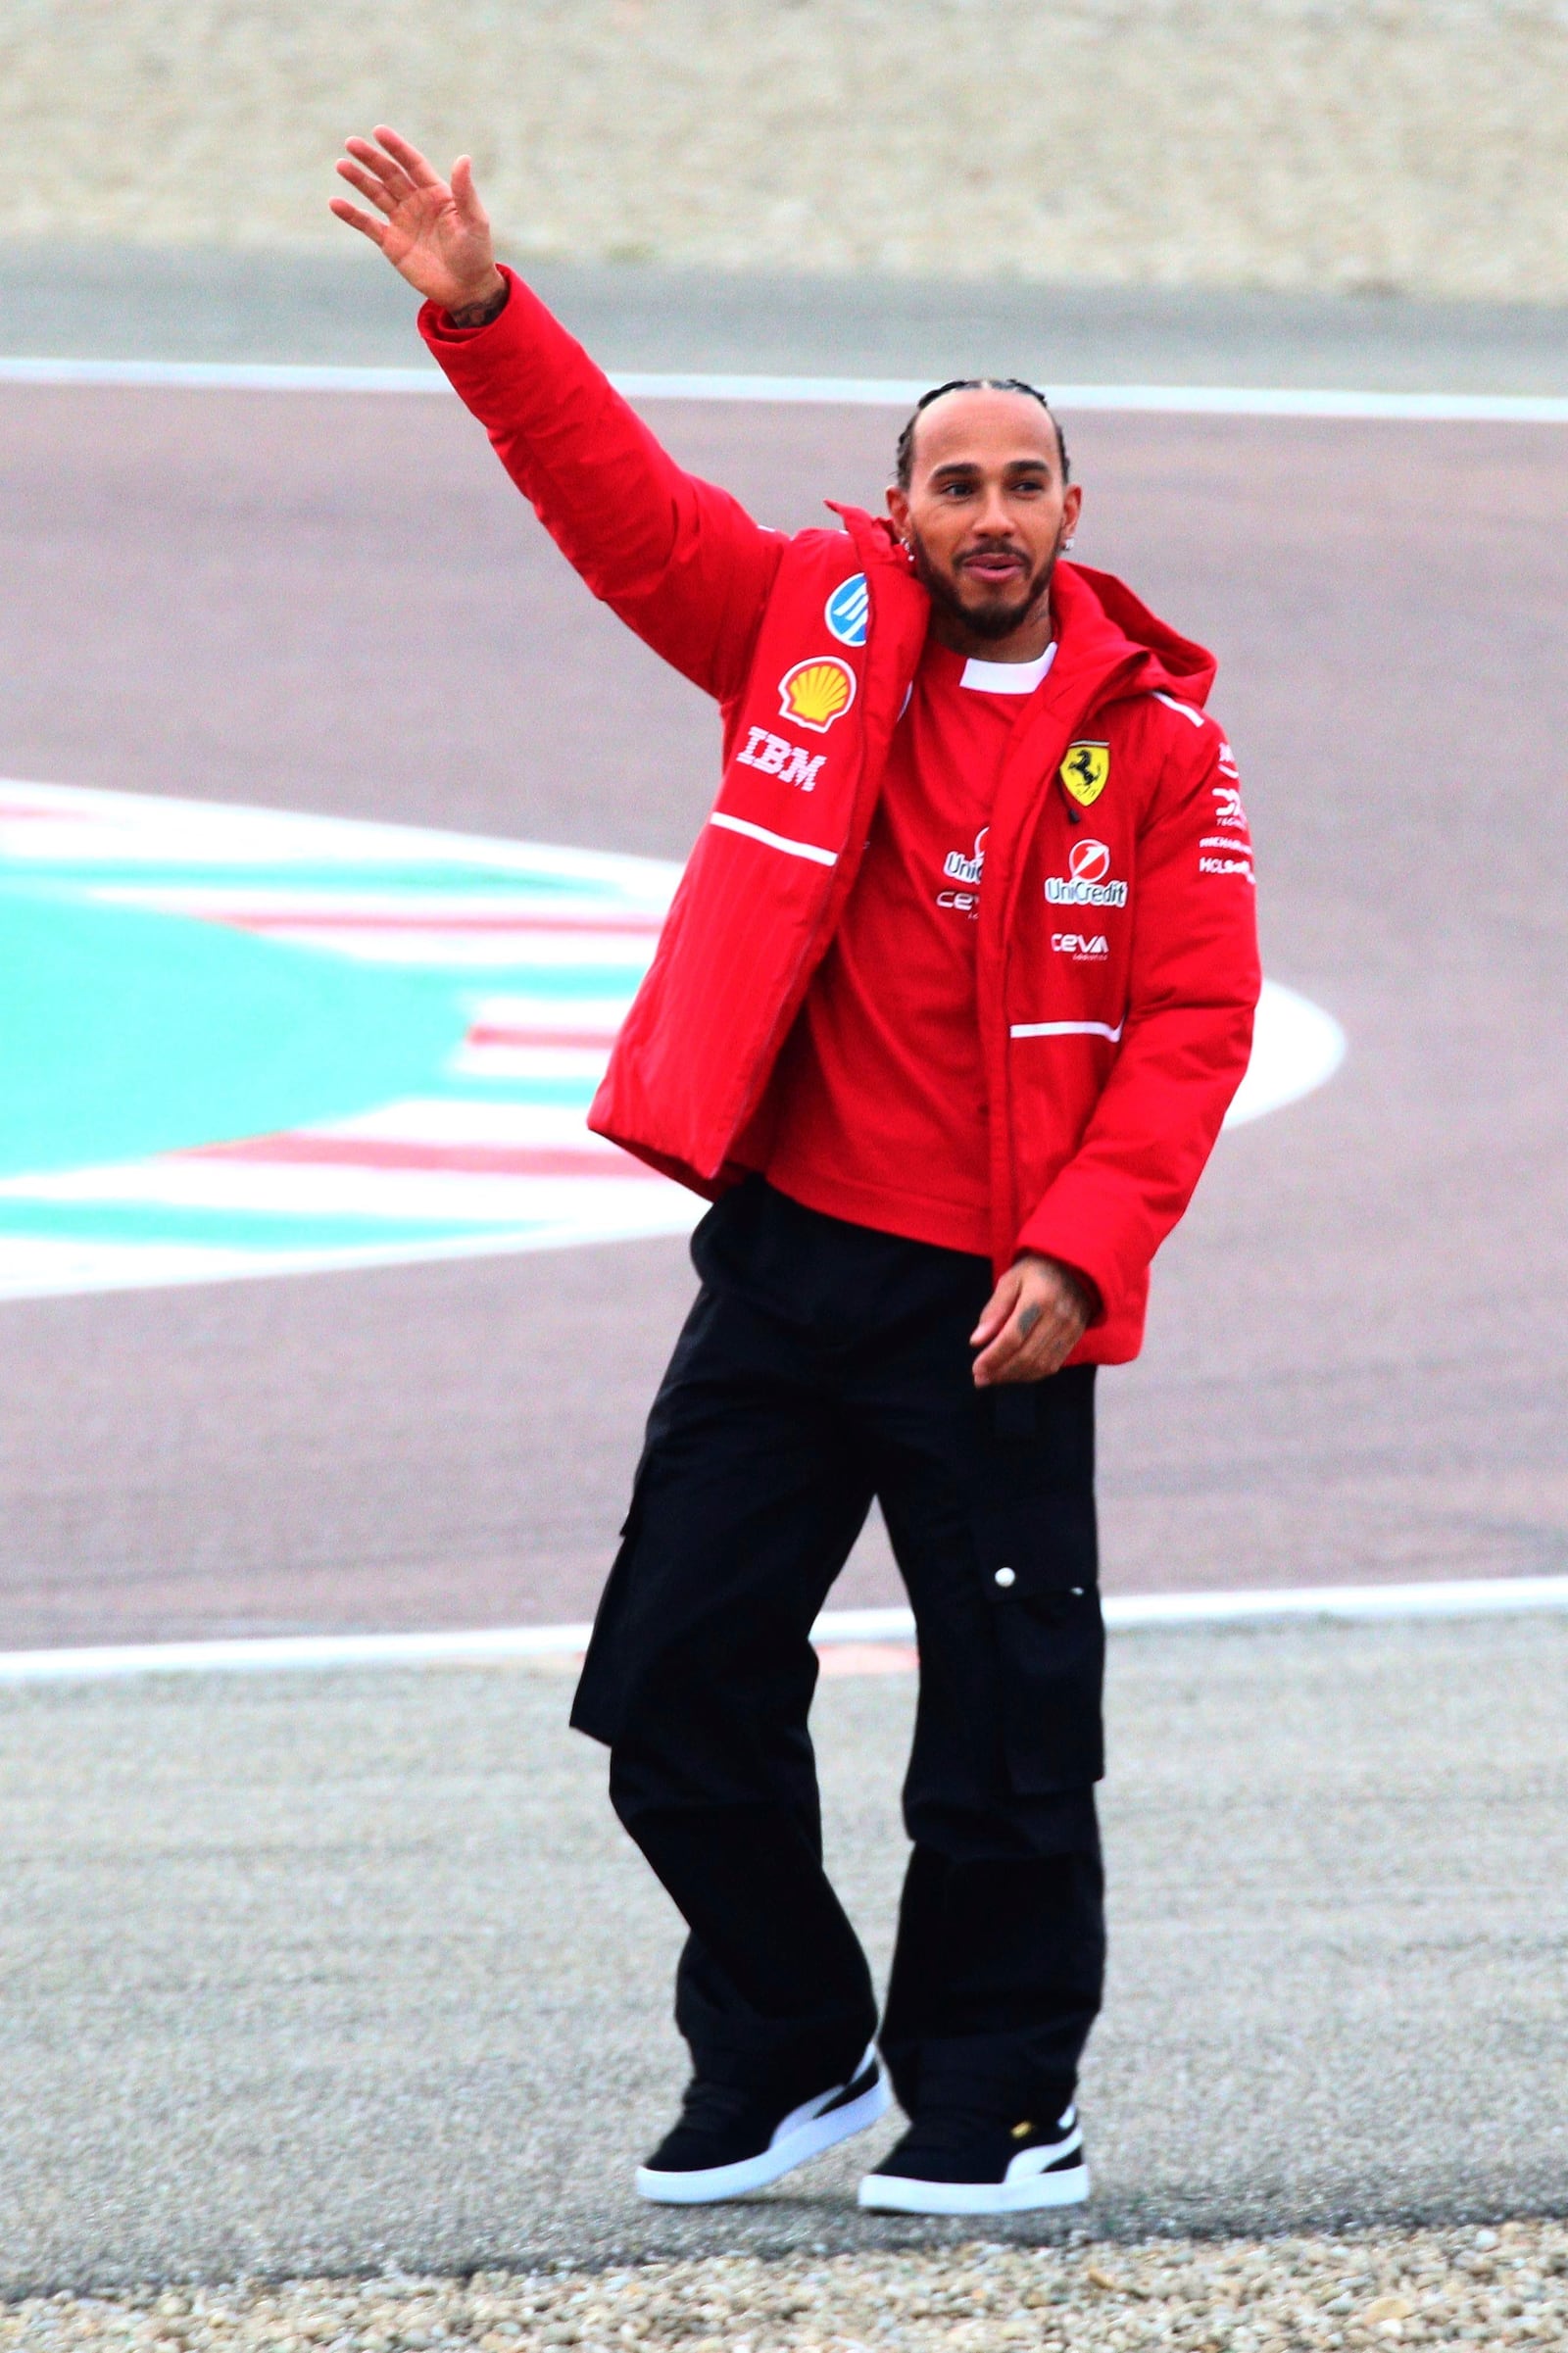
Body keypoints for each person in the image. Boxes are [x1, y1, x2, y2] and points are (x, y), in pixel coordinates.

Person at [333, 127, 1261, 2218]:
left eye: (1023, 483)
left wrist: (1081, 1254)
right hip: (782, 1279)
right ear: (906, 508)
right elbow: (621, 515)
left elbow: (1192, 1034)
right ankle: (789, 2052)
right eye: (956, 484)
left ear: (1070, 511)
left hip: (999, 1311)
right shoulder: (802, 629)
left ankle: (1000, 2097)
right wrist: (480, 312)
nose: (991, 516)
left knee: (1005, 1746)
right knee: (665, 1687)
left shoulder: (1164, 741)